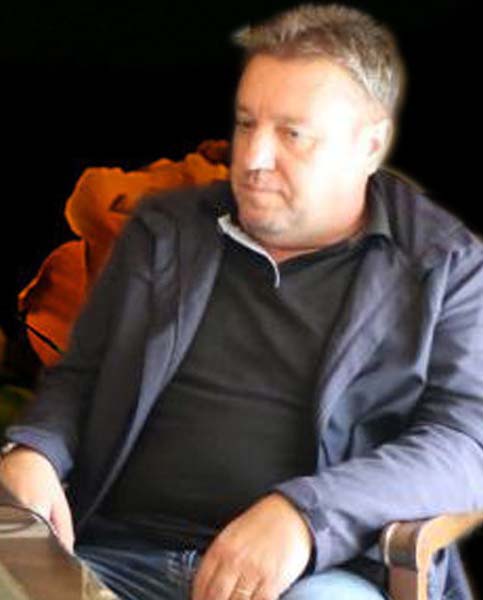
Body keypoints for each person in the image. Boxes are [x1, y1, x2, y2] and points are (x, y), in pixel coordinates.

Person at [1, 4, 483, 600]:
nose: (253, 158)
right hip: (113, 558)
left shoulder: (444, 264)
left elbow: (464, 445)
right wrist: (36, 450)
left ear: (370, 145)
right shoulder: (165, 231)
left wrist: (304, 515)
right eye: (247, 124)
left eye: (292, 134)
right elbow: (81, 378)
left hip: (314, 575)